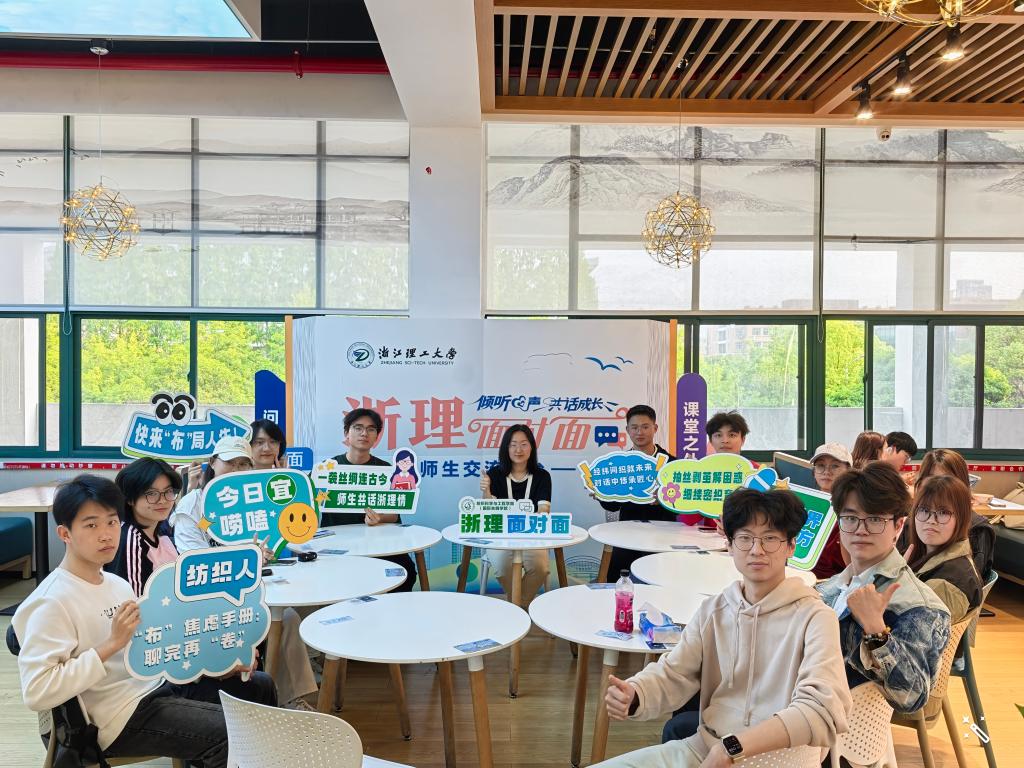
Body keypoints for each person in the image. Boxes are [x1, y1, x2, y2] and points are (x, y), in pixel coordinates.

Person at [12, 475, 277, 768]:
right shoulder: (51, 601)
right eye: (91, 525)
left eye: (112, 522)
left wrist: (219, 663)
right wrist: (111, 645)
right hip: (115, 715)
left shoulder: (117, 584)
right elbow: (38, 691)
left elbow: (155, 647)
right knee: (234, 733)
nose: (106, 535)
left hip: (154, 687)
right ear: (65, 534)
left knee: (259, 686)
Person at [595, 488, 852, 768]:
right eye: (745, 538)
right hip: (705, 750)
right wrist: (635, 693)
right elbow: (674, 672)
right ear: (729, 544)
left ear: (791, 546)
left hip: (780, 760)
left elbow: (822, 710)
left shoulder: (815, 617)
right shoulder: (714, 610)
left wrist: (732, 748)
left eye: (770, 539)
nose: (757, 550)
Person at [170, 436, 317, 710]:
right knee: (278, 619)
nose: (236, 469)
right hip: (208, 599)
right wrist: (247, 560)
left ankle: (290, 699)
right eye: (230, 462)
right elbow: (195, 562)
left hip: (250, 589)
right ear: (213, 463)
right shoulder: (193, 505)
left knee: (287, 618)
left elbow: (270, 542)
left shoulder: (253, 501)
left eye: (243, 464)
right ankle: (263, 702)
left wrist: (264, 553)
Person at [816, 462, 950, 720]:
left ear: (898, 525)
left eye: (875, 519)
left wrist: (876, 630)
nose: (860, 529)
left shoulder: (919, 606)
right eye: (850, 518)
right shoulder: (833, 586)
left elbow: (912, 697)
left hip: (841, 729)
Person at [324, 407, 417, 591]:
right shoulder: (328, 469)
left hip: (378, 543)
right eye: (358, 428)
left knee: (406, 572)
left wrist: (380, 518)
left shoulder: (387, 471)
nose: (364, 433)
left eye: (371, 429)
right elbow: (307, 504)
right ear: (347, 433)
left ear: (376, 437)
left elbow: (394, 514)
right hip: (338, 545)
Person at [594, 405, 675, 581]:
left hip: (663, 535)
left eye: (645, 427)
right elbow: (612, 506)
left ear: (655, 428)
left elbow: (681, 505)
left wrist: (664, 499)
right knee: (617, 581)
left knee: (659, 581)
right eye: (634, 427)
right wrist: (600, 493)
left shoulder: (672, 464)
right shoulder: (618, 465)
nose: (640, 432)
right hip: (628, 534)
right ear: (627, 430)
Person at [480, 425, 552, 605]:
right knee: (503, 568)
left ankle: (517, 606)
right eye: (513, 445)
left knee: (541, 568)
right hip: (499, 536)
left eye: (523, 444)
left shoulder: (542, 476)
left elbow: (544, 510)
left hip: (531, 536)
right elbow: (488, 511)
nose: (518, 449)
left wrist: (533, 520)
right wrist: (486, 492)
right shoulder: (495, 474)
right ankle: (521, 607)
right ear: (506, 448)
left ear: (531, 447)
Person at [904, 475, 983, 624]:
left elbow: (912, 633)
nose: (930, 520)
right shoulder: (930, 556)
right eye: (924, 510)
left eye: (943, 513)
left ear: (961, 518)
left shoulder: (946, 584)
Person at [911, 448, 994, 579]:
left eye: (946, 479)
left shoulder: (978, 529)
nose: (938, 485)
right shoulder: (915, 520)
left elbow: (970, 580)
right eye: (932, 478)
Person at [107, 458, 182, 597]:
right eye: (151, 493)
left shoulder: (159, 530)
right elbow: (135, 602)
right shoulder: (131, 540)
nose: (163, 500)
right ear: (130, 499)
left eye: (168, 491)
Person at [809, 442, 853, 580]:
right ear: (814, 472)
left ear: (848, 471)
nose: (826, 472)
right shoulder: (806, 504)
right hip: (802, 576)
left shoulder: (854, 509)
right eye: (820, 465)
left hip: (835, 582)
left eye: (835, 466)